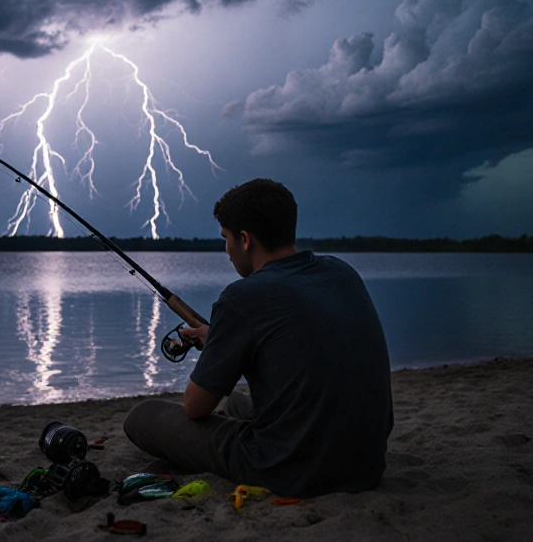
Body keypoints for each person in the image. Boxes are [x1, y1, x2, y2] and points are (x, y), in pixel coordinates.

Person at [123, 178, 394, 498]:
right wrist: (219, 339)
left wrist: (221, 344)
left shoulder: (241, 298)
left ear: (245, 239)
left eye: (226, 238)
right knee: (237, 401)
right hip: (367, 464)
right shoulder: (343, 273)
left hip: (289, 469)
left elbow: (195, 407)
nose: (225, 250)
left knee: (141, 417)